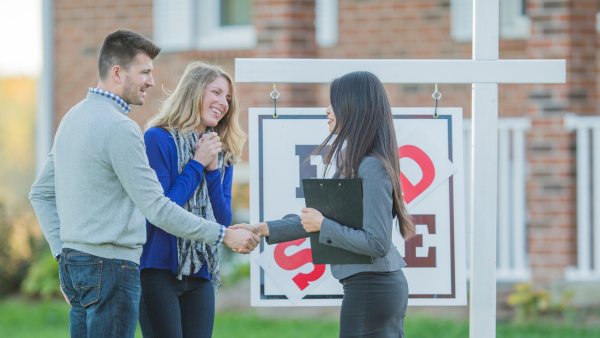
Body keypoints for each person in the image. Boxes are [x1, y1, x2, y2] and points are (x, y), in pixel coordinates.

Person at [29, 30, 259, 338]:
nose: (151, 81)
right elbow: (157, 207)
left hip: (79, 265)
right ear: (117, 72)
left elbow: (40, 193)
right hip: (114, 268)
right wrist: (222, 235)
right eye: (145, 72)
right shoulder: (124, 129)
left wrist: (63, 254)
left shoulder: (72, 117)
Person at [233, 71, 415, 338]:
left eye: (335, 103)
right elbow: (317, 220)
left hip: (372, 288)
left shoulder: (372, 166)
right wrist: (260, 229)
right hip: (370, 287)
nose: (327, 109)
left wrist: (324, 225)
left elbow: (377, 242)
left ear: (355, 107)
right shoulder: (356, 162)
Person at [137, 61, 245, 338]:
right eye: (217, 92)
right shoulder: (157, 139)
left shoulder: (221, 151)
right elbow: (162, 210)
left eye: (228, 98)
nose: (224, 103)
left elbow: (222, 220)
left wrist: (211, 171)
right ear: (194, 91)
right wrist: (197, 164)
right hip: (157, 271)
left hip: (200, 274)